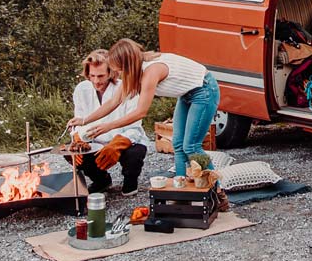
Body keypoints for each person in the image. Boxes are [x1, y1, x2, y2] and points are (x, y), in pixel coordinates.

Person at [69, 39, 219, 178]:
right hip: (186, 94)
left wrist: (109, 126)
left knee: (191, 147)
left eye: (120, 70)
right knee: (178, 145)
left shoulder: (151, 71)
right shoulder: (134, 69)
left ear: (127, 64)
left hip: (204, 90)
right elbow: (114, 101)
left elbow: (141, 112)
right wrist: (84, 120)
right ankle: (180, 188)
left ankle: (216, 190)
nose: (119, 74)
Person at [69, 49, 148, 194]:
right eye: (92, 76)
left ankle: (130, 180)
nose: (96, 81)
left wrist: (116, 145)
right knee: (71, 152)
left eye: (101, 76)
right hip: (95, 141)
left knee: (135, 152)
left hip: (122, 138)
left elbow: (134, 128)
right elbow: (79, 122)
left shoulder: (127, 88)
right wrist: (78, 138)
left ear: (111, 73)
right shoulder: (81, 89)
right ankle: (101, 180)